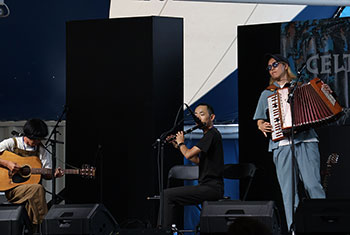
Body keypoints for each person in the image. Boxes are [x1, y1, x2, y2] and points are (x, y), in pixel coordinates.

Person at [253, 54, 325, 231]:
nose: (272, 69)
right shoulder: (267, 93)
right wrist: (262, 125)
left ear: (285, 66)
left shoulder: (301, 87)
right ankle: (295, 229)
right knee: (288, 191)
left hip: (306, 140)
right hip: (281, 144)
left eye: (275, 65)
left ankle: (324, 224)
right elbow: (259, 118)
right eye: (269, 67)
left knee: (312, 185)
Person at [163, 103, 224, 229]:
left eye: (202, 114)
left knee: (167, 195)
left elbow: (188, 154)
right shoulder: (209, 135)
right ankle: (166, 229)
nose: (198, 118)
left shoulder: (211, 134)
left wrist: (181, 143)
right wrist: (178, 145)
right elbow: (196, 159)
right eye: (196, 115)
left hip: (212, 188)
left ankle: (164, 231)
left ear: (211, 117)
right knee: (168, 196)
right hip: (208, 187)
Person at [0, 118, 64, 232]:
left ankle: (32, 230)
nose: (36, 142)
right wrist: (7, 163)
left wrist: (54, 174)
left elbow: (47, 173)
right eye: (34, 139)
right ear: (27, 134)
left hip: (30, 190)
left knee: (33, 200)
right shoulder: (12, 143)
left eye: (39, 139)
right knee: (37, 189)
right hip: (12, 188)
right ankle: (45, 228)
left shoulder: (41, 150)